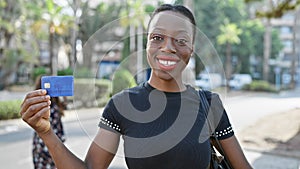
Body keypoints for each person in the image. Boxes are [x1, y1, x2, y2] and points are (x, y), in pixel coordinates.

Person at [20, 4, 253, 169]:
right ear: (148, 43)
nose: (168, 48)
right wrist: (46, 133)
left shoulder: (210, 104)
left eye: (180, 40)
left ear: (191, 50)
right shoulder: (122, 105)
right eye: (157, 38)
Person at [32, 75, 66, 169]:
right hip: (50, 148)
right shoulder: (53, 108)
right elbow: (58, 132)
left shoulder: (39, 107)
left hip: (40, 149)